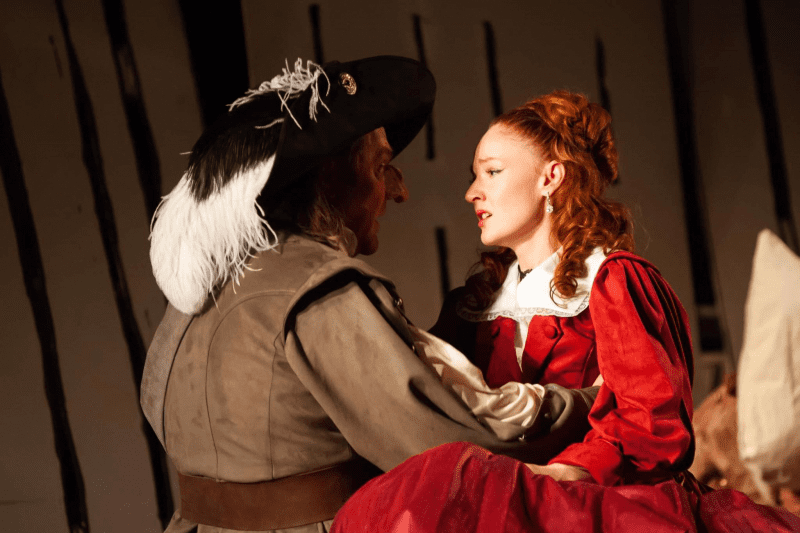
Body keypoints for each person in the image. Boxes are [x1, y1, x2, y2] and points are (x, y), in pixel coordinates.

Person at [140, 59, 598, 533]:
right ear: (328, 175)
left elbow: (156, 407)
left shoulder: (206, 286)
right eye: (381, 167)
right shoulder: (321, 289)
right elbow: (451, 440)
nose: (399, 190)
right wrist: (594, 401)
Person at [329, 91, 800, 532]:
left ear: (550, 178)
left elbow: (651, 426)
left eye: (491, 172)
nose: (472, 192)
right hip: (510, 502)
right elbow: (428, 398)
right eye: (476, 176)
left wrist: (567, 471)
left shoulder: (613, 281)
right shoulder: (475, 304)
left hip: (599, 499)